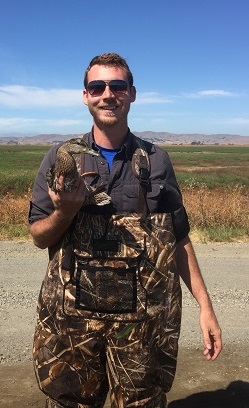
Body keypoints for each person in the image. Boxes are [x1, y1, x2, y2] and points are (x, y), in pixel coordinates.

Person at [29, 52, 222, 408]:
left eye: (117, 86)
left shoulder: (157, 160)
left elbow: (177, 239)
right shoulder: (60, 157)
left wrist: (206, 307)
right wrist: (64, 212)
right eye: (97, 86)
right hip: (74, 326)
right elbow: (40, 236)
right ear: (85, 95)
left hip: (141, 327)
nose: (108, 94)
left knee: (140, 402)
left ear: (132, 93)